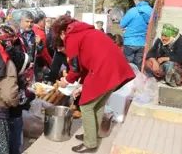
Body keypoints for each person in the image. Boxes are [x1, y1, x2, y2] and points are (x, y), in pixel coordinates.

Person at [53, 15, 135, 153]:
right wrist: (81, 86)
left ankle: (90, 143)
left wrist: (66, 81)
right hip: (113, 69)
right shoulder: (86, 32)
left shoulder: (71, 36)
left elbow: (75, 67)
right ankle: (92, 135)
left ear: (62, 32)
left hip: (103, 70)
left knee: (86, 106)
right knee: (97, 104)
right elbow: (84, 65)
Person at [0, 25, 34, 154]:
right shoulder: (11, 56)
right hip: (11, 102)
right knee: (14, 132)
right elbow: (13, 94)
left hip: (0, 103)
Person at [120, 0, 152, 70]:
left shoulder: (133, 11)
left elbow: (122, 24)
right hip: (142, 42)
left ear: (136, 0)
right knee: (139, 65)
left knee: (128, 66)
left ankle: (129, 81)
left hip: (130, 41)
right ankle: (138, 80)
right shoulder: (151, 11)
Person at [31, 9, 52, 80]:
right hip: (39, 59)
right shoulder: (41, 33)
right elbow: (44, 51)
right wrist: (50, 61)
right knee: (39, 78)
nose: (45, 23)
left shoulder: (32, 29)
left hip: (32, 58)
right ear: (39, 21)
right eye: (44, 21)